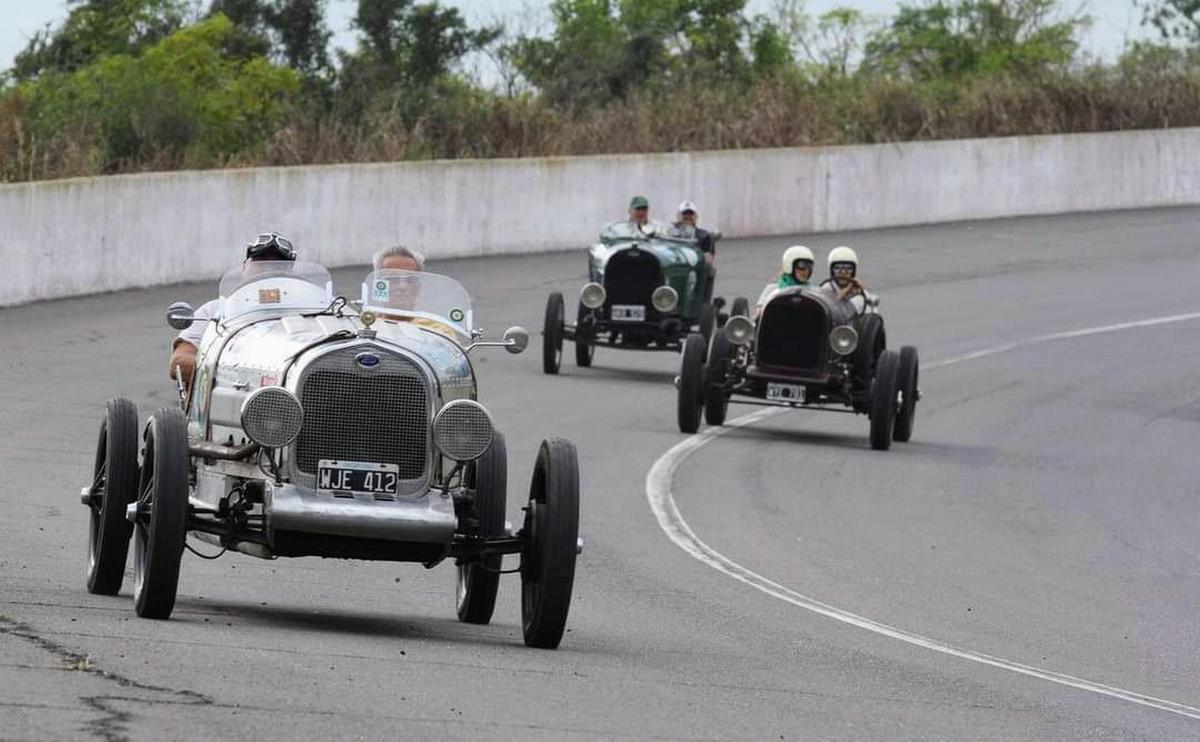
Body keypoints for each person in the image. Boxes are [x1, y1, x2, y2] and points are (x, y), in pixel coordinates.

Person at [168, 232, 296, 389]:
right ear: (245, 266)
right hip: (228, 396)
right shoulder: (215, 310)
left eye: (277, 265)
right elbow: (179, 363)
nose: (268, 270)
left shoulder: (311, 311)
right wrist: (236, 374)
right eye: (260, 263)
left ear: (290, 273)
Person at [370, 245, 457, 337]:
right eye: (393, 279)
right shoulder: (366, 326)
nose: (402, 286)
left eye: (410, 280)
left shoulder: (438, 331)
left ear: (418, 288)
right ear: (379, 286)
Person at [671, 200, 718, 301]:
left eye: (690, 213)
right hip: (674, 268)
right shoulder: (670, 233)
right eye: (685, 213)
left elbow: (709, 260)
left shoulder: (704, 236)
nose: (688, 216)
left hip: (694, 271)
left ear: (696, 216)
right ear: (678, 216)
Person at [755, 245, 814, 315]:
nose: (806, 270)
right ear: (789, 265)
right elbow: (758, 317)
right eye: (802, 265)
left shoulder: (813, 293)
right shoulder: (772, 290)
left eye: (809, 266)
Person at [819, 245, 874, 314]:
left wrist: (864, 291)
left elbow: (872, 309)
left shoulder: (860, 292)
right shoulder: (826, 288)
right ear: (832, 270)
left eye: (848, 268)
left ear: (853, 271)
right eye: (838, 268)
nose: (843, 272)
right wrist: (846, 291)